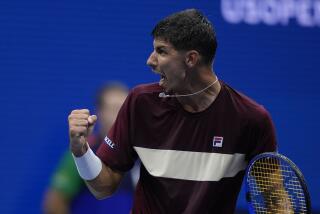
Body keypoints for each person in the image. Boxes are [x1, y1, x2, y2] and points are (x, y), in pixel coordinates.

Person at [68, 9, 277, 213]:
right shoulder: (141, 103)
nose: (150, 61)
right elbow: (103, 187)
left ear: (191, 59)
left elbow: (274, 200)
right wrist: (81, 151)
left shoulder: (251, 120)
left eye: (161, 51)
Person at [43, 82, 136, 214]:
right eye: (114, 108)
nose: (121, 115)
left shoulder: (140, 153)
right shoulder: (81, 152)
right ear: (100, 113)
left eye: (125, 109)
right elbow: (54, 202)